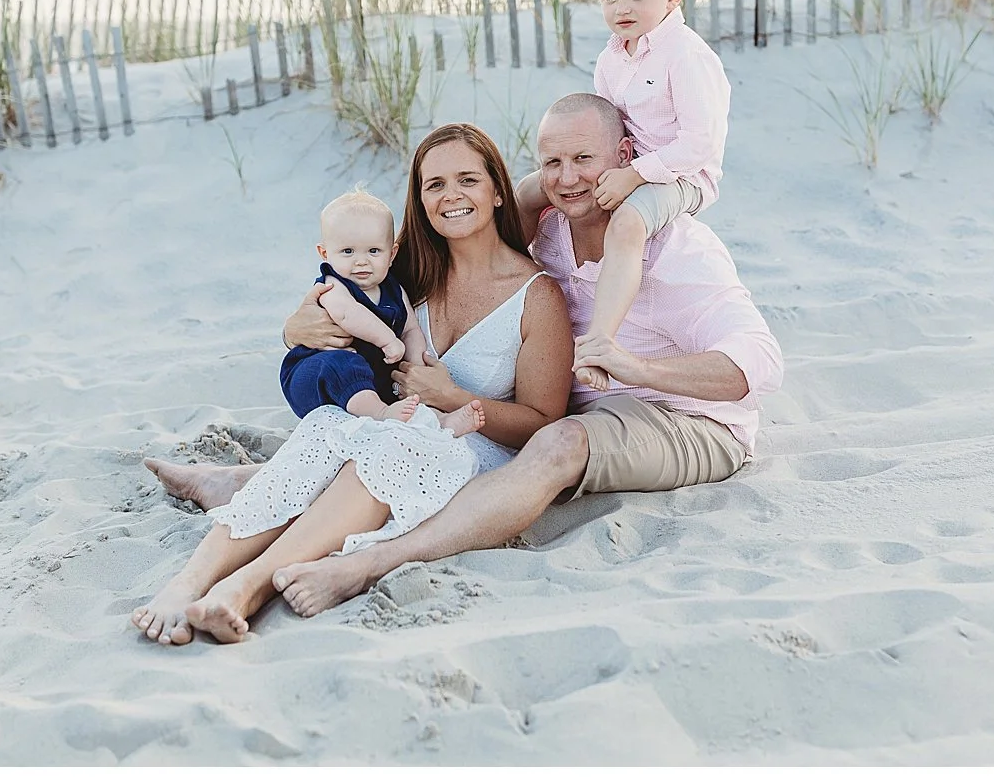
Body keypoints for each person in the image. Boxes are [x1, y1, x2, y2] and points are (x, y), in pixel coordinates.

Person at [265, 94, 784, 620]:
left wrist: (631, 366)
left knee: (555, 442)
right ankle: (254, 487)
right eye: (552, 163)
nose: (568, 178)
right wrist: (297, 326)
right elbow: (434, 233)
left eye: (585, 159)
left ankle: (375, 562)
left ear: (626, 157)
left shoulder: (679, 251)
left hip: (689, 420)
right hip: (587, 413)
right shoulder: (551, 230)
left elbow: (759, 363)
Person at [129, 124, 573, 645]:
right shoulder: (405, 266)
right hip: (391, 424)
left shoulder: (537, 296)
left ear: (498, 190)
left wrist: (454, 398)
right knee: (325, 425)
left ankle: (245, 588)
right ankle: (187, 583)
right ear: (420, 198)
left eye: (468, 180)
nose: (451, 195)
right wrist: (296, 327)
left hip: (472, 448)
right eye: (434, 185)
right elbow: (322, 302)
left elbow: (544, 424)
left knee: (390, 444)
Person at [516, 0, 729, 393]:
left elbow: (700, 143)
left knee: (628, 222)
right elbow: (606, 125)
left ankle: (599, 341)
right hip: (632, 164)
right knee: (534, 188)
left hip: (683, 175)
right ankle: (506, 282)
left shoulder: (687, 56)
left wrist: (633, 176)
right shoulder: (611, 59)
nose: (622, 9)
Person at [280, 188, 486, 435]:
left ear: (392, 254)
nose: (361, 261)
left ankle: (440, 422)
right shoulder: (333, 285)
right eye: (347, 251)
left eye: (373, 251)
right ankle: (380, 414)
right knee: (342, 362)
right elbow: (348, 314)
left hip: (370, 380)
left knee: (406, 394)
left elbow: (410, 329)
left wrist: (417, 365)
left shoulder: (394, 289)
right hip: (316, 376)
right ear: (325, 253)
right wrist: (388, 340)